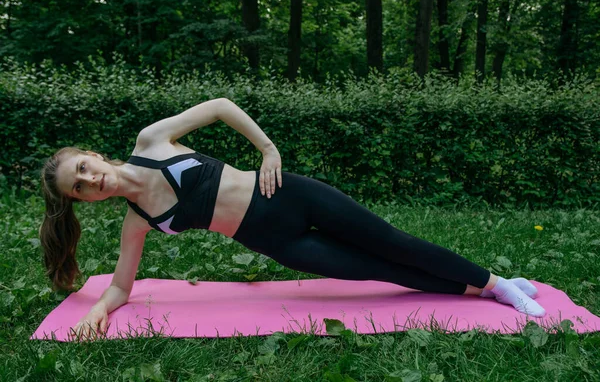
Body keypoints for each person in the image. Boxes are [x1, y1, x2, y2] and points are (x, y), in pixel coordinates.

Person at [39, 98, 545, 340]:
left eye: (84, 169)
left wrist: (267, 147)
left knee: (394, 243)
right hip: (278, 243)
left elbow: (218, 106)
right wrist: (95, 312)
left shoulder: (151, 141)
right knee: (380, 271)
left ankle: (497, 282)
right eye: (78, 188)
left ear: (94, 155)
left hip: (290, 196)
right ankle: (480, 291)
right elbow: (121, 287)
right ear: (84, 201)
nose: (90, 181)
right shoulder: (137, 220)